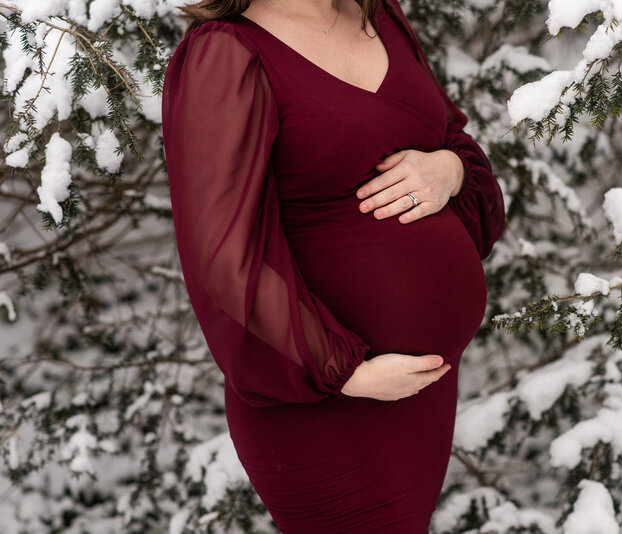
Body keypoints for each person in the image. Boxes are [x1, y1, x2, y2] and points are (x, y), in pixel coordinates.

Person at [160, 0, 505, 531]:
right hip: (323, 401)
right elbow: (222, 254)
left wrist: (451, 169)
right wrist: (343, 371)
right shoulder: (227, 52)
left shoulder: (378, 14)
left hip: (417, 393)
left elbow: (449, 134)